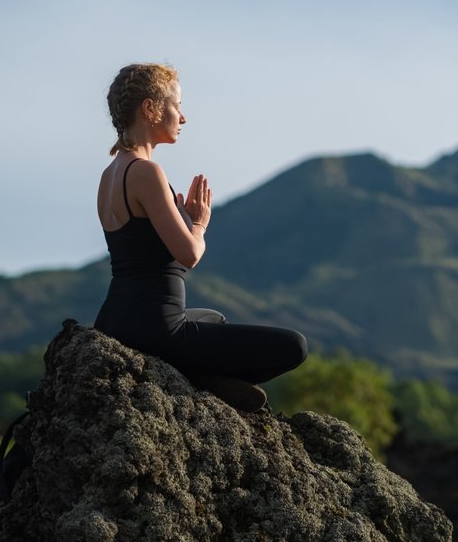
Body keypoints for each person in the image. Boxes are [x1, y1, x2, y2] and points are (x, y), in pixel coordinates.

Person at [93, 62, 307, 412]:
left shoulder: (110, 173)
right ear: (150, 109)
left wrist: (183, 218)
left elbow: (141, 249)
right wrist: (199, 224)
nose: (183, 117)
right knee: (294, 346)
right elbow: (189, 253)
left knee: (213, 320)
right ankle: (202, 380)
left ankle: (202, 374)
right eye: (177, 106)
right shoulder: (146, 172)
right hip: (157, 330)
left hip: (115, 320)